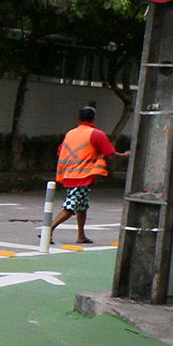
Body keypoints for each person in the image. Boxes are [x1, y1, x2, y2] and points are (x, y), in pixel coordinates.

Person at [48, 105, 127, 245]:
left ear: (79, 118)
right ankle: (48, 230)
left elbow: (60, 151)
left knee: (82, 206)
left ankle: (81, 236)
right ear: (94, 118)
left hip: (69, 174)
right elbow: (111, 155)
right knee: (71, 206)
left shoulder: (70, 133)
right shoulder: (96, 134)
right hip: (81, 176)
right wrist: (126, 155)